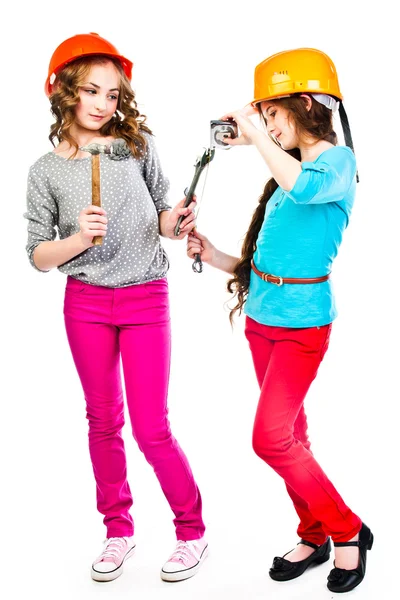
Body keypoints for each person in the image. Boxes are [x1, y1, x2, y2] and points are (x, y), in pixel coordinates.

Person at [24, 32, 208, 583]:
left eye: (112, 92)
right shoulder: (45, 171)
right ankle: (118, 531)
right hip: (84, 304)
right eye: (91, 92)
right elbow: (37, 254)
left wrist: (177, 223)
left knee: (152, 425)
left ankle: (191, 532)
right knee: (103, 421)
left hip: (146, 297)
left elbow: (160, 220)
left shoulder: (137, 145)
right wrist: (78, 238)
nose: (104, 104)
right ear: (65, 96)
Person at [187, 48, 372, 593]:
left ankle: (346, 529)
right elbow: (266, 259)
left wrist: (256, 131)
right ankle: (314, 532)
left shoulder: (335, 164)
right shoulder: (284, 170)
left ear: (308, 103)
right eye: (264, 117)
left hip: (303, 328)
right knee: (291, 434)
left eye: (274, 113)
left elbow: (306, 186)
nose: (266, 125)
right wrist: (217, 253)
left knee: (269, 439)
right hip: (262, 319)